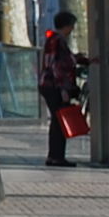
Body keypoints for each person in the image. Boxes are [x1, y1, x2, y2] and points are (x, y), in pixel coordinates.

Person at [36, 16, 86, 167]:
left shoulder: (53, 39)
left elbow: (63, 60)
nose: (72, 29)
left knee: (57, 121)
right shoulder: (58, 41)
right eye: (71, 26)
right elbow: (57, 65)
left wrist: (85, 60)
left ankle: (54, 155)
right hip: (54, 86)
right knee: (59, 121)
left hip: (48, 84)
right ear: (66, 26)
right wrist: (63, 88)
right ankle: (57, 156)